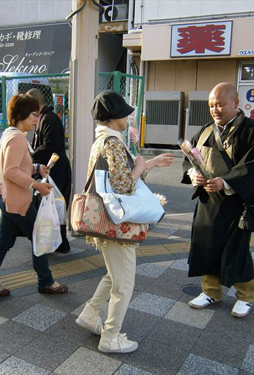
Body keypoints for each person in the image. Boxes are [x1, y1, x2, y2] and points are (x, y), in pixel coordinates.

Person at [75, 90, 174, 353]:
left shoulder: (103, 140)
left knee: (114, 275)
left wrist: (147, 163)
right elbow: (123, 185)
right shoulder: (113, 142)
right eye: (125, 112)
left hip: (106, 219)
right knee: (124, 282)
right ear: (113, 116)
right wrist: (141, 166)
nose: (129, 116)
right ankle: (111, 336)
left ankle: (90, 314)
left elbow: (116, 175)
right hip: (118, 223)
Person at [181, 82, 254, 318]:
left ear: (235, 103)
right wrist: (194, 175)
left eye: (220, 104)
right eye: (212, 105)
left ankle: (245, 296)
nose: (215, 109)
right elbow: (190, 158)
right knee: (207, 246)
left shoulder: (253, 131)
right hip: (209, 202)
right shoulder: (207, 130)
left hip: (237, 202)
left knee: (236, 249)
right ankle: (211, 291)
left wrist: (226, 182)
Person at [0, 93, 68, 298]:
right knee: (39, 238)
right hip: (19, 201)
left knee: (4, 243)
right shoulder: (18, 138)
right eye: (33, 116)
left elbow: (15, 166)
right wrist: (36, 183)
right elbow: (11, 170)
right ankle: (45, 281)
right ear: (21, 115)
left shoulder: (9, 134)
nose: (36, 120)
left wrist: (36, 167)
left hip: (9, 199)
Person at [27, 89, 72, 253]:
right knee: (52, 205)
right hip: (52, 168)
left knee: (56, 205)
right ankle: (56, 242)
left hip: (57, 169)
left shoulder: (49, 119)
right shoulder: (45, 118)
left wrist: (31, 155)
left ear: (34, 103)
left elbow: (49, 146)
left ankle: (60, 242)